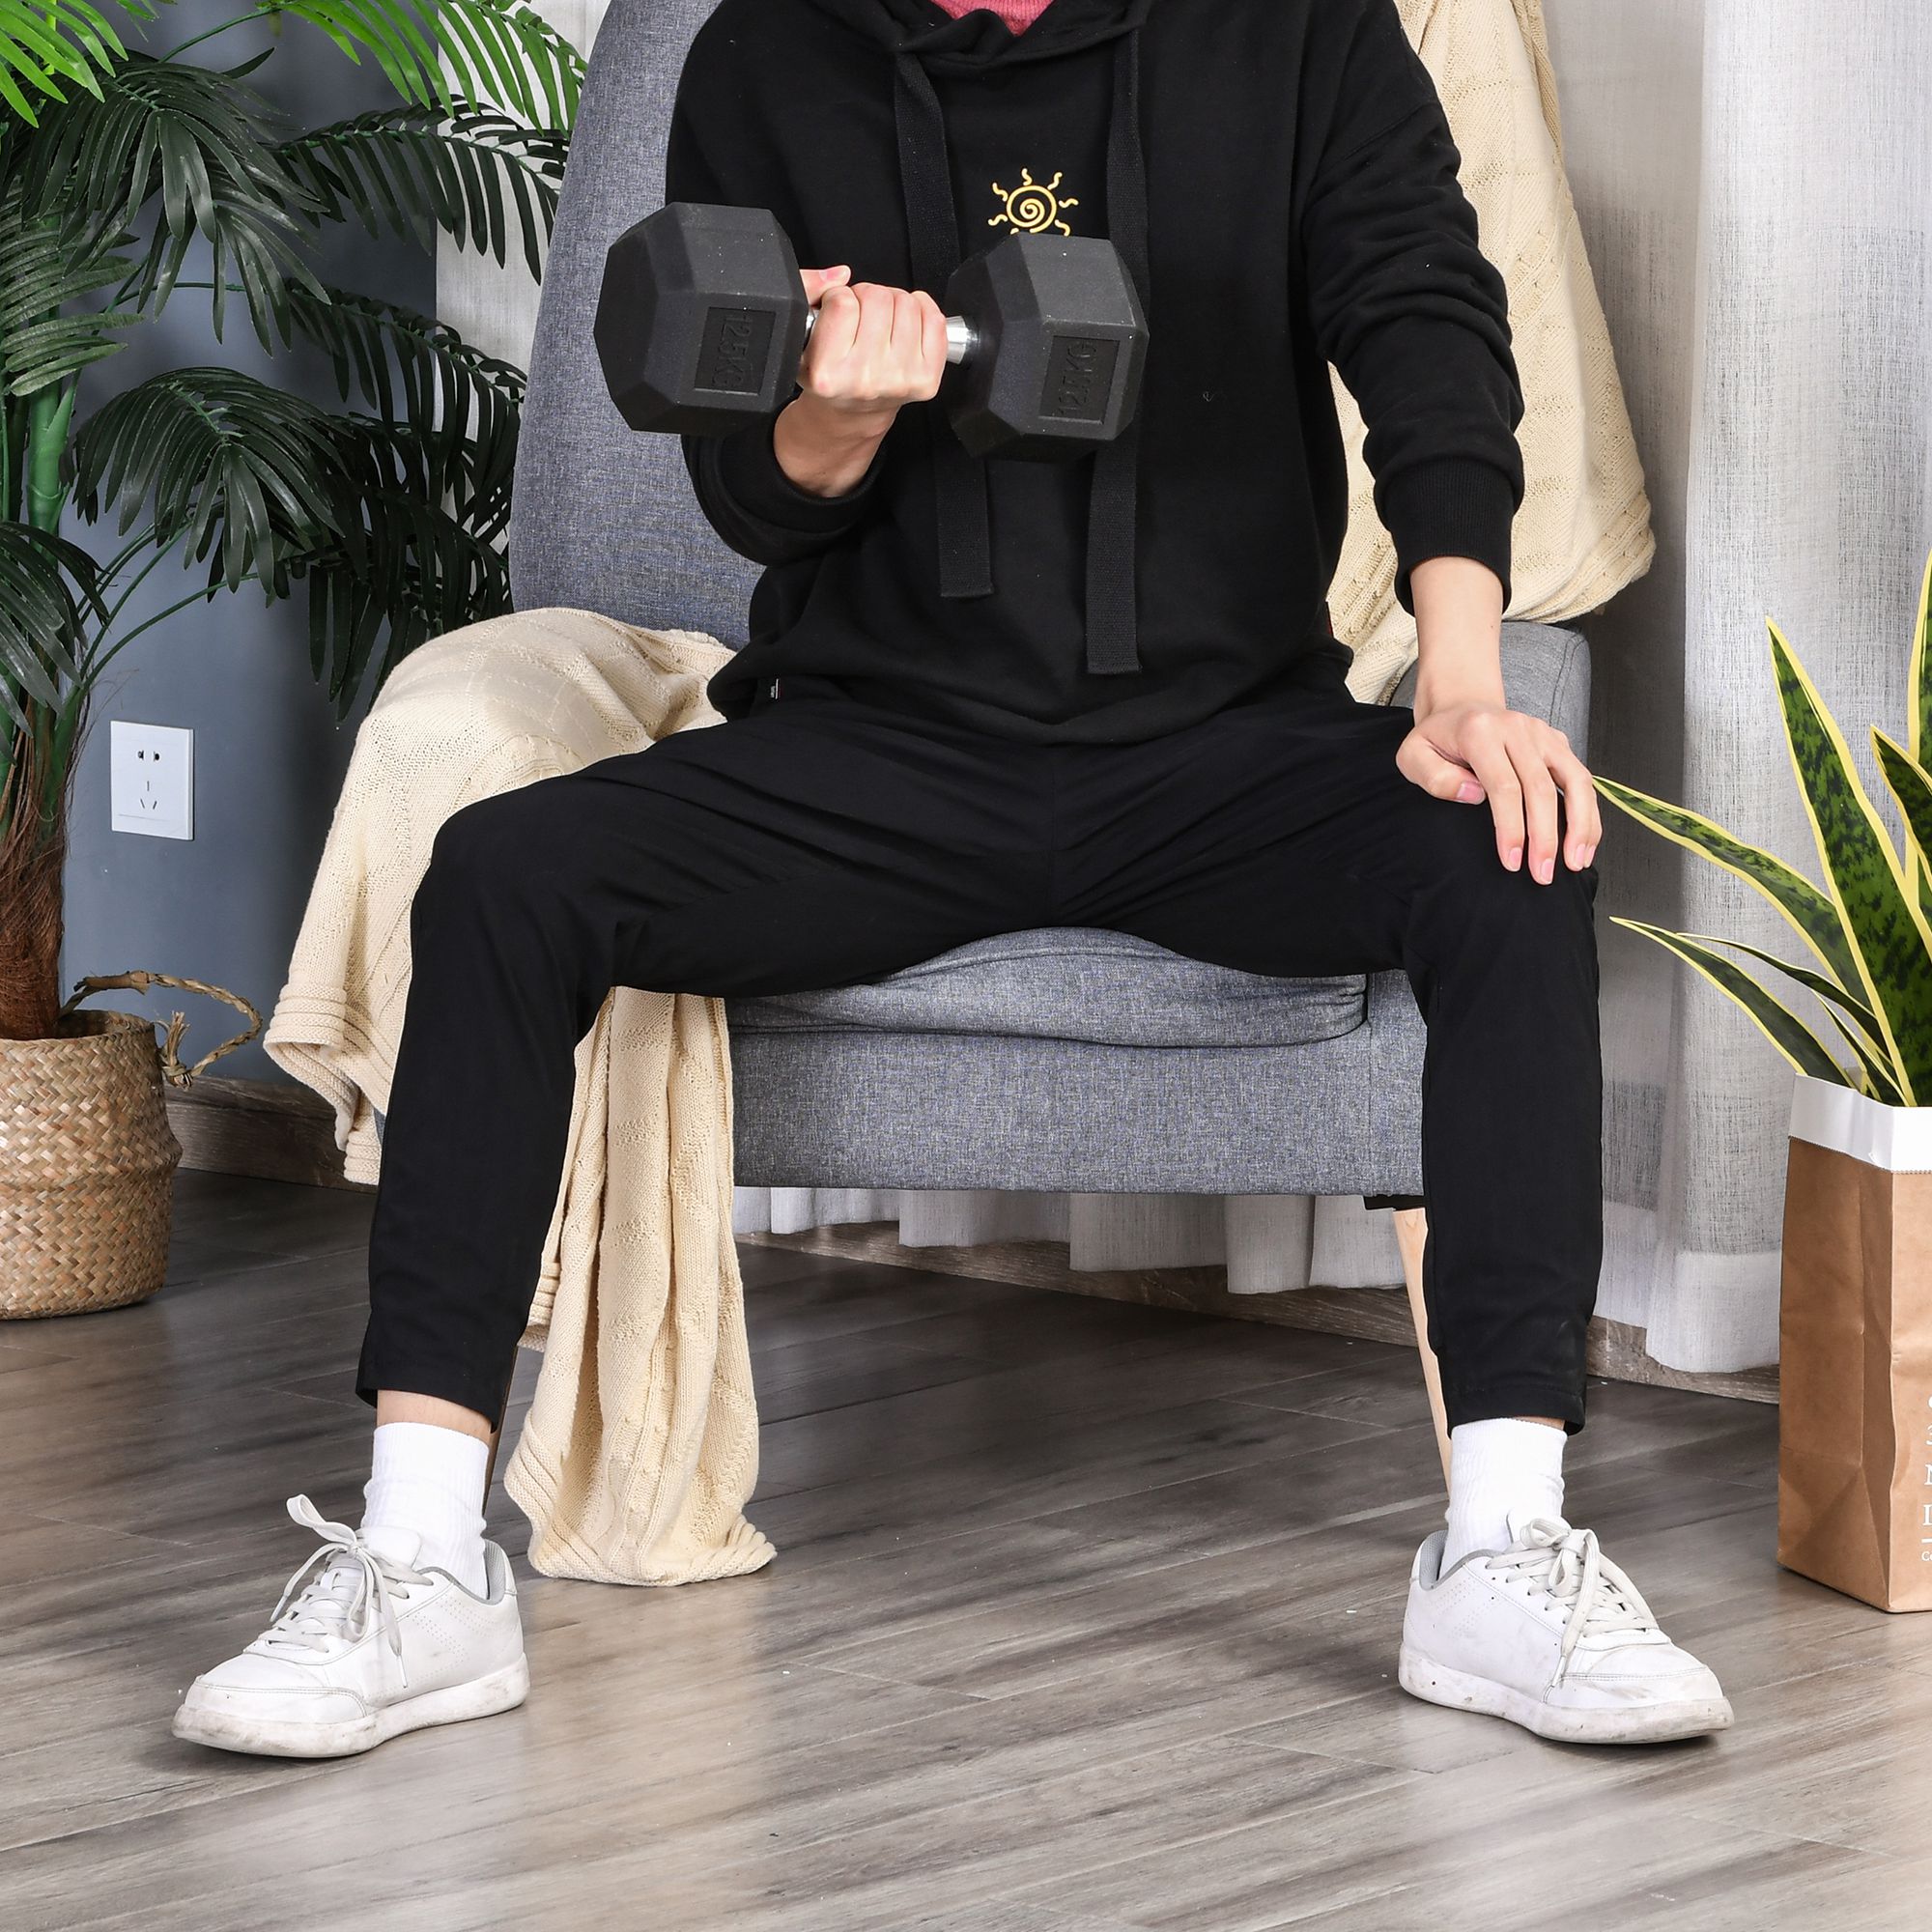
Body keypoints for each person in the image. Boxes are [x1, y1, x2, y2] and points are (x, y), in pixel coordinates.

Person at [173, 0, 1733, 1760]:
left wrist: (1461, 683)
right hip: (881, 751)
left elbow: (1426, 323)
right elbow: (754, 497)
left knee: (1511, 850)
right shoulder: (768, 53)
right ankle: (423, 1561)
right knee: (503, 875)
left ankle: (1502, 1550)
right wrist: (837, 416)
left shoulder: (1295, 27)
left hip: (1224, 748)